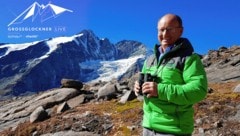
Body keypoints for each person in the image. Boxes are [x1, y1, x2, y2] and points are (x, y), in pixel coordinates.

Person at [134, 13, 208, 136]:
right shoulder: (150, 59)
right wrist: (139, 88)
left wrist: (160, 90)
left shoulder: (189, 59)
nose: (164, 34)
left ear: (180, 31)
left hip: (173, 130)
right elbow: (146, 93)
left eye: (169, 30)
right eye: (161, 30)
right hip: (148, 128)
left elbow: (198, 90)